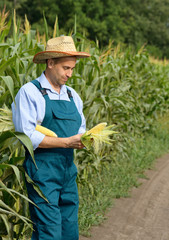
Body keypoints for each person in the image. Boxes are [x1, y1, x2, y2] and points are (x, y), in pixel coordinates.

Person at [12, 36, 90, 240]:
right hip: (42, 173)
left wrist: (86, 139)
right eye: (66, 68)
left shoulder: (72, 95)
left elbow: (81, 127)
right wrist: (66, 142)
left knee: (70, 230)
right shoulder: (30, 93)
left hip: (67, 171)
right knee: (49, 232)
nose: (70, 74)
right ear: (50, 62)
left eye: (72, 68)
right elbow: (27, 136)